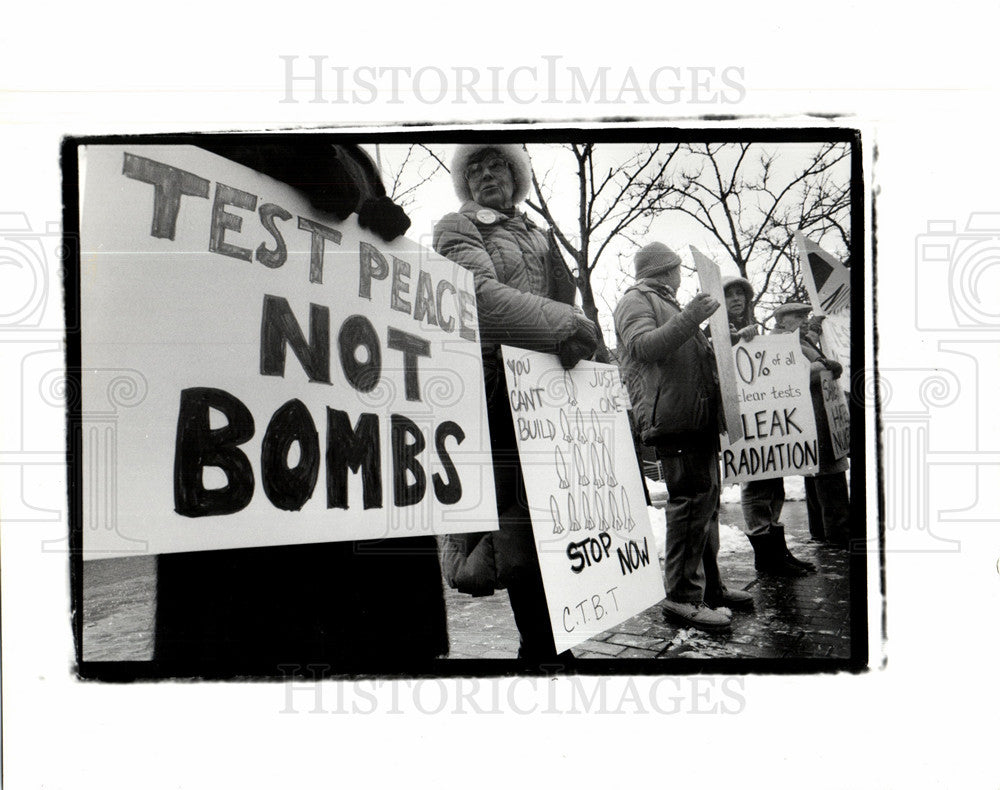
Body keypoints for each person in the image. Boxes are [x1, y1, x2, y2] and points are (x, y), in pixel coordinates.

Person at [153, 139, 448, 673]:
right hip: (248, 437)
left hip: (356, 454)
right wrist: (289, 156)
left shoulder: (358, 156)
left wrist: (381, 237)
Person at [433, 143, 599, 662]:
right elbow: (477, 296)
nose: (486, 175)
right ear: (465, 182)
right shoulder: (457, 228)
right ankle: (540, 646)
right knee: (519, 522)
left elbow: (565, 305)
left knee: (560, 516)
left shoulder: (537, 235)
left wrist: (587, 358)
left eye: (497, 166)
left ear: (516, 176)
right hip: (497, 392)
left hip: (548, 393)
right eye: (475, 169)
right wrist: (566, 327)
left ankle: (558, 639)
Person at [614, 243, 753, 633]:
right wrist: (693, 317)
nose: (681, 275)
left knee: (704, 510)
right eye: (677, 269)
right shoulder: (636, 301)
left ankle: (709, 591)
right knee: (690, 507)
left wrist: (722, 336)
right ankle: (681, 598)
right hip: (674, 420)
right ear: (668, 270)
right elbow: (645, 347)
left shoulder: (664, 302)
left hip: (695, 418)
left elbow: (681, 353)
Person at [723, 279, 814, 576]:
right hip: (743, 419)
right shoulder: (714, 326)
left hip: (763, 418)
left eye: (741, 294)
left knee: (773, 482)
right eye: (730, 294)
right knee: (756, 482)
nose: (737, 299)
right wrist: (735, 340)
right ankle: (766, 558)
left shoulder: (746, 324)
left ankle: (777, 553)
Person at [773, 304, 851, 546]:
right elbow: (795, 375)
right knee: (830, 473)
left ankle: (821, 531)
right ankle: (838, 534)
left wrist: (817, 321)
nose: (804, 321)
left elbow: (810, 336)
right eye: (798, 317)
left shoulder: (797, 338)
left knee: (817, 473)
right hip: (814, 417)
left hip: (818, 416)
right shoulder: (781, 344)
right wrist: (826, 367)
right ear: (782, 321)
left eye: (805, 316)